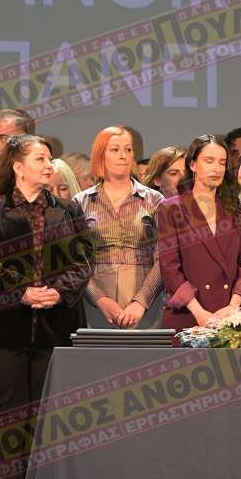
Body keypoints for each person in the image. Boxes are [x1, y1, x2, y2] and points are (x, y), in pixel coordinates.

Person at [0, 135, 93, 479]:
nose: (49, 164)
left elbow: (83, 260)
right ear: (18, 167)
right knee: (8, 412)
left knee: (45, 411)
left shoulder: (67, 209)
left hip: (53, 324)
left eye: (49, 158)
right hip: (0, 329)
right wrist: (22, 292)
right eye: (40, 158)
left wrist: (57, 291)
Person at [158, 134, 241, 331]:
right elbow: (169, 268)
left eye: (222, 162)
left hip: (231, 317)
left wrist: (234, 305)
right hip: (189, 315)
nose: (217, 168)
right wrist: (200, 313)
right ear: (193, 165)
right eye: (209, 161)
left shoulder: (234, 208)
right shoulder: (171, 208)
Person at [74, 126, 163, 329]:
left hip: (145, 304)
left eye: (128, 150)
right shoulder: (81, 202)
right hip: (95, 305)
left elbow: (164, 257)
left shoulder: (154, 199)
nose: (123, 156)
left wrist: (140, 302)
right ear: (100, 155)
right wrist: (99, 299)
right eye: (115, 150)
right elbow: (74, 261)